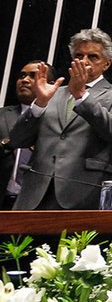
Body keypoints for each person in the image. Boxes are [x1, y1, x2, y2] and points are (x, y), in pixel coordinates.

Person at [7, 29, 112, 210]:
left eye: (93, 57)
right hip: (34, 194)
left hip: (81, 194)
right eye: (78, 55)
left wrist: (81, 95)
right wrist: (39, 104)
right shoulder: (52, 92)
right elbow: (17, 140)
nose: (83, 61)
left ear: (107, 64)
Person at [0, 61, 51, 209]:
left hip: (41, 203)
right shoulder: (2, 115)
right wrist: (8, 142)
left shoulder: (59, 120)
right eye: (22, 75)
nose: (25, 80)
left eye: (33, 76)